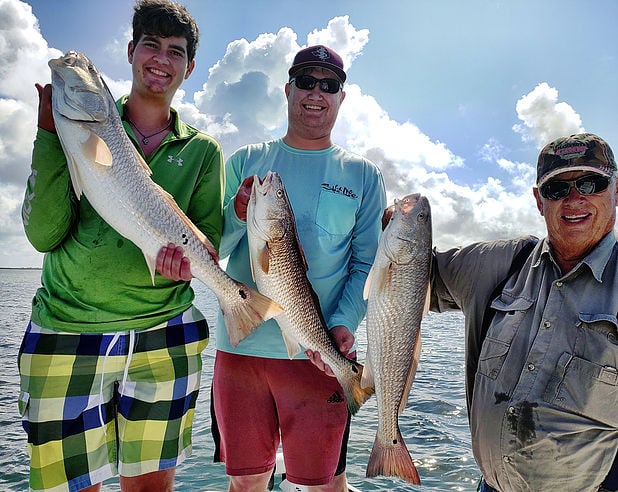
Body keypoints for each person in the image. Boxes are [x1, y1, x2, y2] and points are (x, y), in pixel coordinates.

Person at [18, 1, 224, 491]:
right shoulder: (76, 129)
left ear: (189, 67)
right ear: (131, 51)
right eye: (150, 44)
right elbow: (43, 234)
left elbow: (206, 242)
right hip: (67, 330)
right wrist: (49, 134)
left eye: (175, 51)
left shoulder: (203, 150)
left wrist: (188, 267)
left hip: (164, 333)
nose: (160, 58)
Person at [159, 45, 385, 490]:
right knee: (246, 482)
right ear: (287, 90)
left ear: (342, 97)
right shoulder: (246, 161)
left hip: (318, 356)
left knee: (324, 484)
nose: (315, 92)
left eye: (328, 84)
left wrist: (341, 324)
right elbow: (213, 250)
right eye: (305, 81)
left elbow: (366, 264)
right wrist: (238, 214)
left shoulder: (363, 175)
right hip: (240, 353)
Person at [427, 133, 618, 491]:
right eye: (556, 189)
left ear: (616, 191)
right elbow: (408, 277)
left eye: (591, 183)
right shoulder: (496, 262)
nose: (574, 199)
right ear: (538, 200)